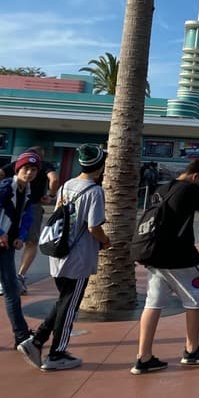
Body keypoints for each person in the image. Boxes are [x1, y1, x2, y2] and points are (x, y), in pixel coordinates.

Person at [18, 145, 109, 371]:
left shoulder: (67, 185)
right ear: (99, 168)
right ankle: (57, 354)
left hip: (58, 254)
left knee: (63, 302)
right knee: (69, 307)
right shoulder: (94, 191)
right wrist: (106, 241)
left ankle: (37, 341)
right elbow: (93, 227)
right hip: (78, 259)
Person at [131, 158, 199, 375]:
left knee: (152, 304)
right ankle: (192, 350)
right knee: (195, 300)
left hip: (155, 255)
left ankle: (143, 357)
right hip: (181, 257)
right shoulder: (190, 189)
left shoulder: (162, 188)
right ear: (195, 177)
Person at [0, 146, 60, 296]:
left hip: (20, 205)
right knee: (30, 242)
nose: (29, 172)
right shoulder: (44, 166)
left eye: (33, 169)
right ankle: (19, 276)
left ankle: (7, 280)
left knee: (10, 241)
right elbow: (54, 179)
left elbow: (0, 172)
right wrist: (51, 195)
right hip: (31, 205)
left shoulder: (17, 164)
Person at [0, 152, 38, 354]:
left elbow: (27, 218)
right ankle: (22, 335)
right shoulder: (6, 187)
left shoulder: (27, 191)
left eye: (33, 170)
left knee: (11, 290)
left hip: (5, 247)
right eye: (26, 169)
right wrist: (1, 233)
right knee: (11, 290)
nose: (30, 173)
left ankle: (21, 336)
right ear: (18, 169)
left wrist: (21, 237)